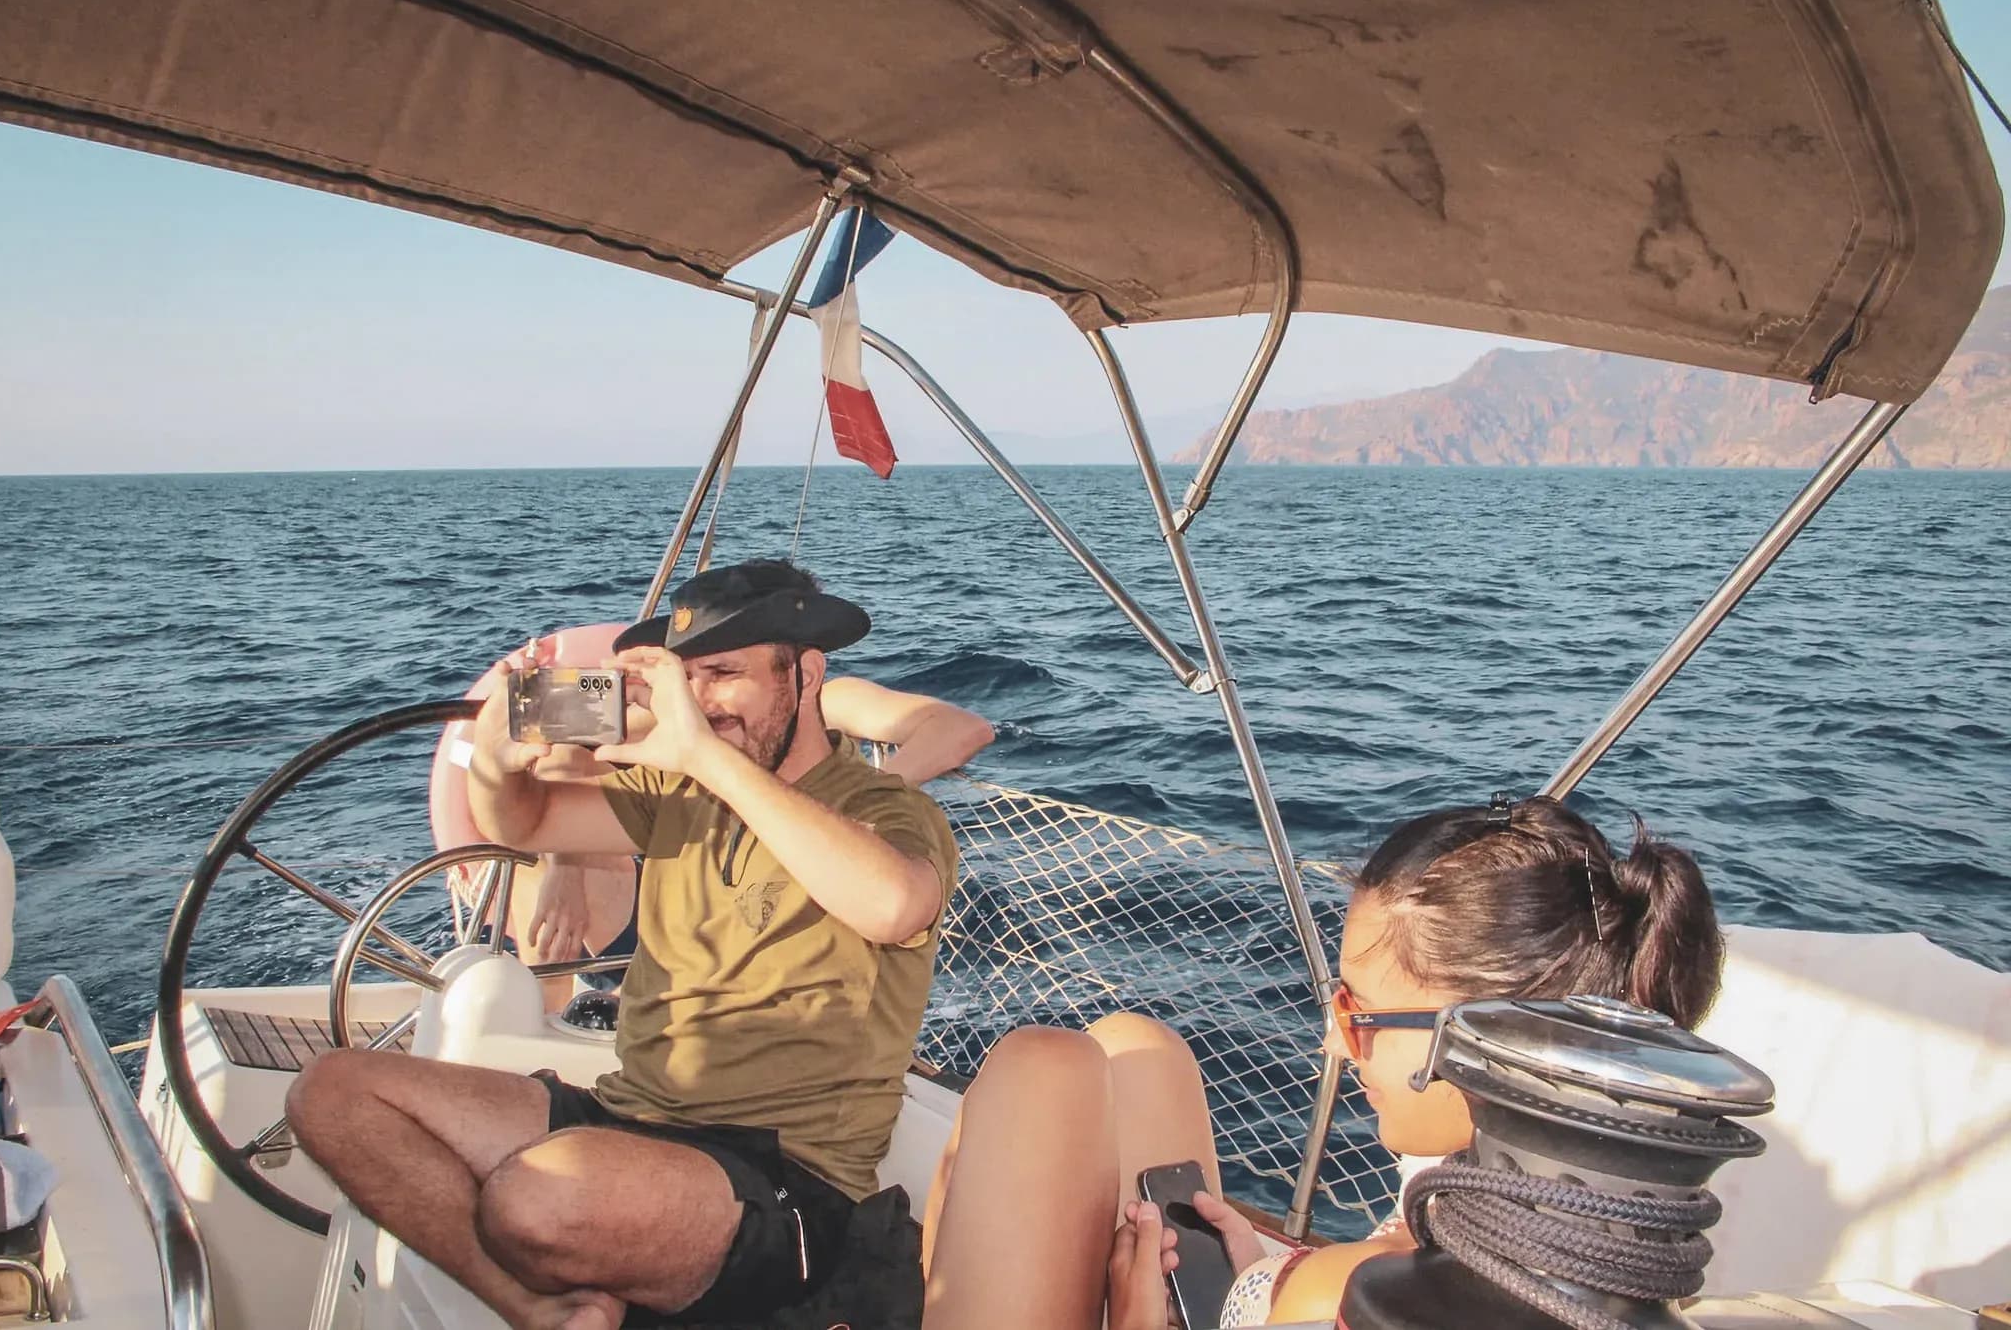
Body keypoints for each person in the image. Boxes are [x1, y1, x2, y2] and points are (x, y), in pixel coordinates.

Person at [286, 560, 960, 1330]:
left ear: (807, 673)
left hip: (784, 1180)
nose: (703, 704)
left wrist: (705, 756)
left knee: (535, 1198)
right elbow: (525, 824)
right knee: (334, 1096)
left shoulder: (882, 808)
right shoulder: (676, 797)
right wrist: (501, 762)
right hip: (631, 1117)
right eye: (688, 679)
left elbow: (894, 903)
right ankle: (542, 1310)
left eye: (726, 674)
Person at [920, 795, 1725, 1330]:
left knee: (1035, 1068)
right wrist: (1263, 1270)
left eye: (1357, 1012)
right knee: (1139, 1044)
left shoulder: (1357, 1301)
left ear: (1486, 1039)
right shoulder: (1585, 1246)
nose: (1333, 1043)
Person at [505, 676, 991, 1010]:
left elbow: (960, 729)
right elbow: (547, 727)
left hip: (777, 912)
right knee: (534, 871)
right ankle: (551, 1038)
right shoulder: (680, 707)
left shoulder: (823, 701)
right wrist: (564, 868)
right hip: (673, 891)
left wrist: (839, 805)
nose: (711, 680)